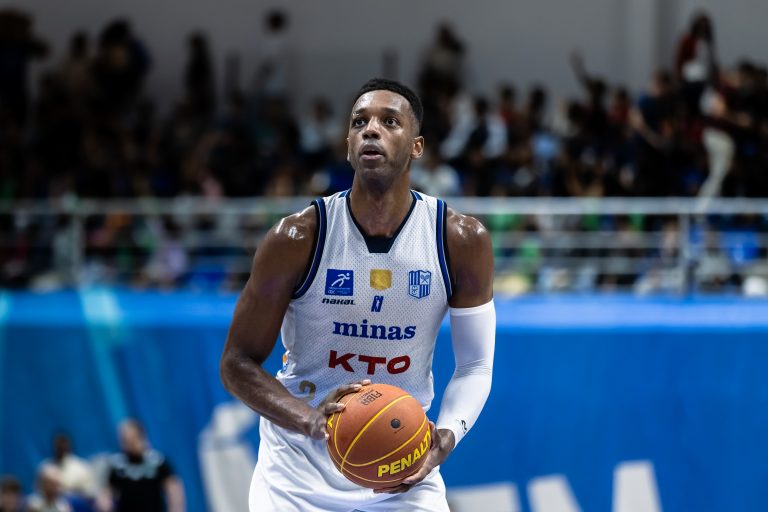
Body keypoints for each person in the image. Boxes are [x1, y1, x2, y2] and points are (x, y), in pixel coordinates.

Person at [220, 78, 496, 511]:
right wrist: (311, 420)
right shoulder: (296, 238)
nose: (371, 129)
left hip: (401, 463)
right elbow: (236, 363)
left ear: (417, 147)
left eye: (389, 121)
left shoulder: (459, 240)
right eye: (359, 122)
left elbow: (475, 365)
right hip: (297, 471)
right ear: (348, 147)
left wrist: (447, 435)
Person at [98, 419, 185, 512]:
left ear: (141, 437)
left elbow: (174, 490)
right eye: (124, 440)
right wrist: (104, 502)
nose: (128, 443)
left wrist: (176, 509)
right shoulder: (117, 465)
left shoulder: (157, 462)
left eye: (132, 439)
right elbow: (106, 493)